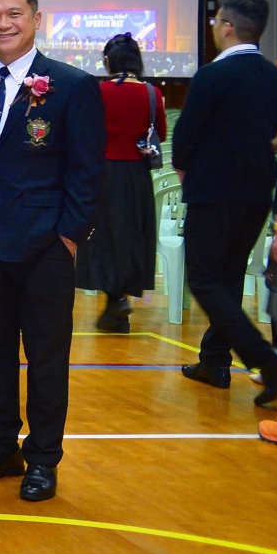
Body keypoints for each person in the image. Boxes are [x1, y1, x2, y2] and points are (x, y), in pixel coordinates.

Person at [0, 0, 105, 503]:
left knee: (45, 359)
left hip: (45, 247)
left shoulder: (71, 84)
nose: (3, 24)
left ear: (36, 19)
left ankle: (43, 457)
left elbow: (88, 172)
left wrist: (69, 237)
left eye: (14, 14)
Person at [171, 0, 277, 405]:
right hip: (258, 191)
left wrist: (183, 167)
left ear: (227, 27)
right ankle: (215, 360)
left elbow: (186, 134)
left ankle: (265, 358)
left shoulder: (212, 75)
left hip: (214, 190)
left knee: (204, 280)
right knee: (230, 276)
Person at [80, 34, 167, 333]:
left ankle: (115, 301)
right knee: (131, 236)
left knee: (104, 238)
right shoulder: (152, 93)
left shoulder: (97, 91)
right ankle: (118, 304)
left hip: (102, 173)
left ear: (108, 61)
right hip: (137, 175)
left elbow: (85, 131)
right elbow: (160, 134)